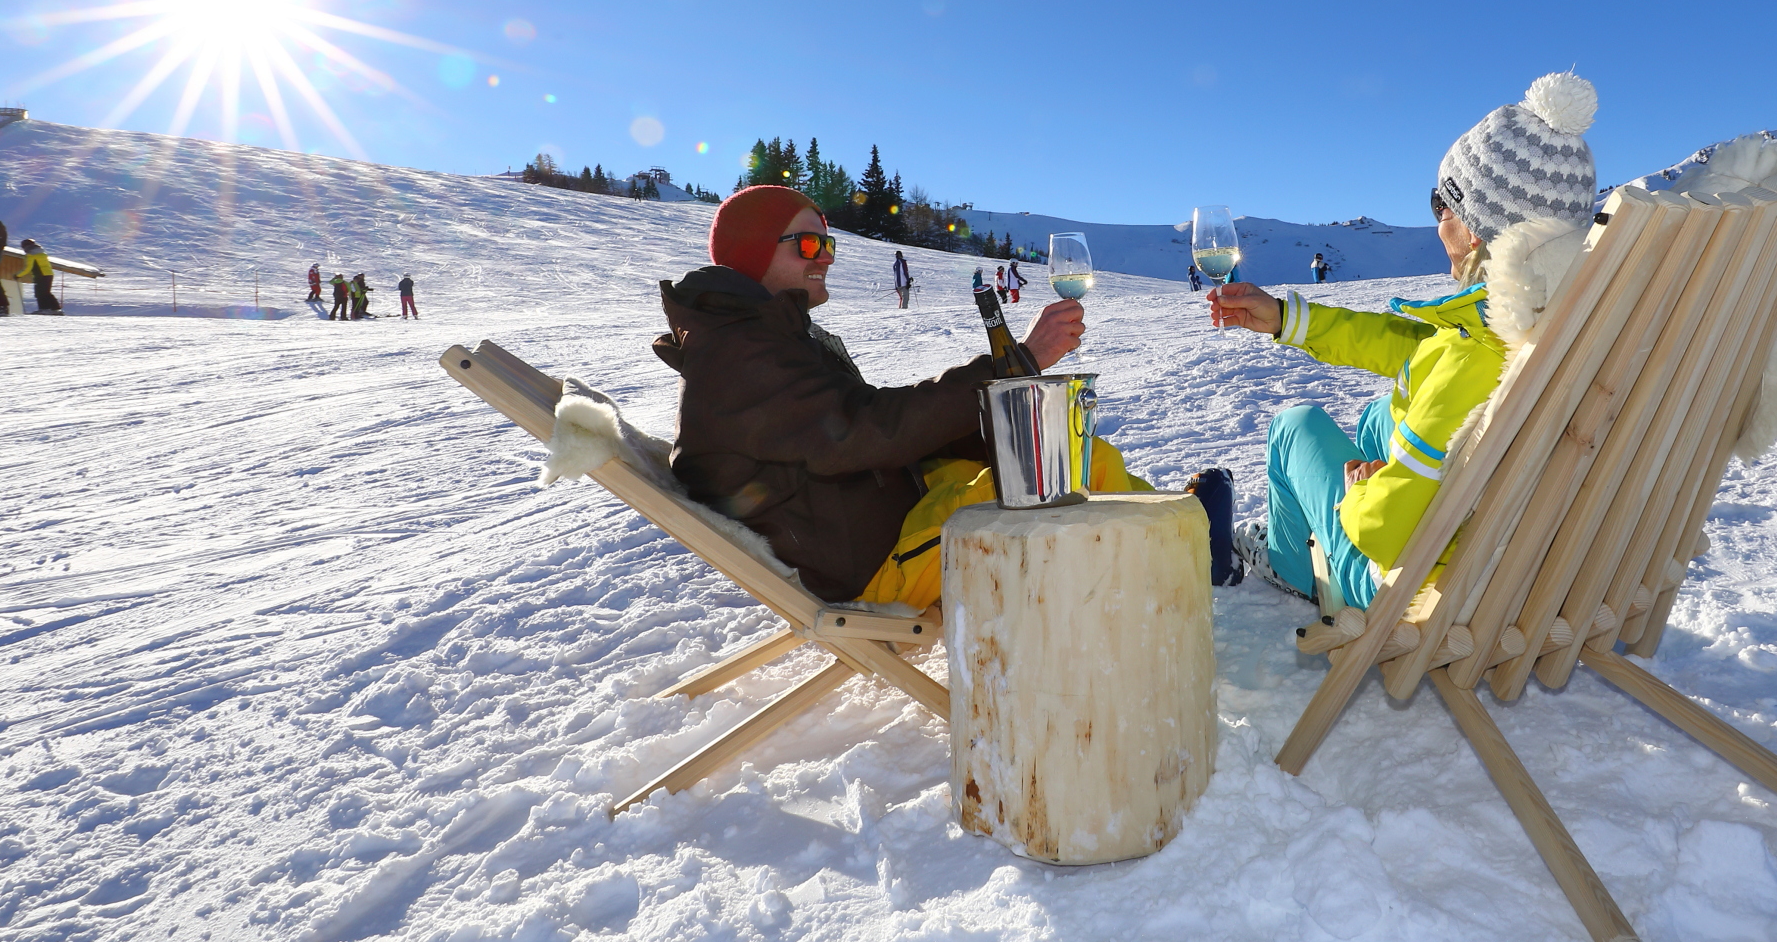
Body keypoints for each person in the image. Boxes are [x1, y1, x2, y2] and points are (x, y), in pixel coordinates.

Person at [653, 185, 1150, 608]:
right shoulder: (740, 355)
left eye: (827, 243)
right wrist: (1019, 363)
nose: (826, 255)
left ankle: (1185, 531)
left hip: (887, 511)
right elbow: (864, 432)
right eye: (808, 244)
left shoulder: (752, 339)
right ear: (752, 250)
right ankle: (1180, 565)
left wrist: (995, 426)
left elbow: (855, 427)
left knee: (1061, 456)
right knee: (1077, 473)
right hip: (873, 564)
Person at [1215, 72, 1599, 608]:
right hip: (1523, 558)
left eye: (1442, 207)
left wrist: (1361, 494)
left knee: (1294, 427)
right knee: (1379, 416)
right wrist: (1285, 318)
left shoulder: (1474, 357)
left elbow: (1382, 533)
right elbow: (1417, 350)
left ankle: (1291, 564)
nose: (1438, 225)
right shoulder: (1559, 324)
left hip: (1417, 584)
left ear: (1477, 229)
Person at [20, 239, 62, 314]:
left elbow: (28, 268)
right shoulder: (41, 253)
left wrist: (18, 275)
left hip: (40, 275)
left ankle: (44, 309)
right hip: (49, 274)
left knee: (39, 293)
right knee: (46, 292)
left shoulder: (30, 254)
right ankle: (55, 309)